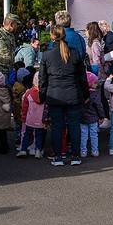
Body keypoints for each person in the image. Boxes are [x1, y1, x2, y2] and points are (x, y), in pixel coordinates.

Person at [38, 25, 89, 166]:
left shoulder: (47, 55)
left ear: (52, 36)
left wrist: (42, 96)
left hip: (54, 95)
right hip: (73, 94)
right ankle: (75, 156)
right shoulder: (74, 53)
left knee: (57, 127)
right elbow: (82, 77)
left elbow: (43, 79)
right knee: (74, 126)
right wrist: (85, 95)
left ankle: (58, 157)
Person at [0, 13, 22, 153]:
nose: (17, 27)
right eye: (16, 24)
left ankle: (15, 136)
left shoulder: (11, 36)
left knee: (11, 105)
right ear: (10, 23)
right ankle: (3, 142)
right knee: (1, 107)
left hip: (8, 74)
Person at [18, 72, 45, 159]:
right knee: (39, 136)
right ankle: (38, 151)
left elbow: (24, 107)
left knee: (27, 135)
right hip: (40, 120)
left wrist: (23, 117)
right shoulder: (45, 93)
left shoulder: (28, 93)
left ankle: (23, 150)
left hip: (29, 119)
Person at [80, 72, 105, 158]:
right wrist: (102, 116)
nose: (96, 84)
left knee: (83, 135)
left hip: (83, 118)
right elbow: (99, 106)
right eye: (95, 82)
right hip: (94, 118)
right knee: (94, 135)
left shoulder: (81, 94)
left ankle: (83, 151)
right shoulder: (95, 94)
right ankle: (95, 150)